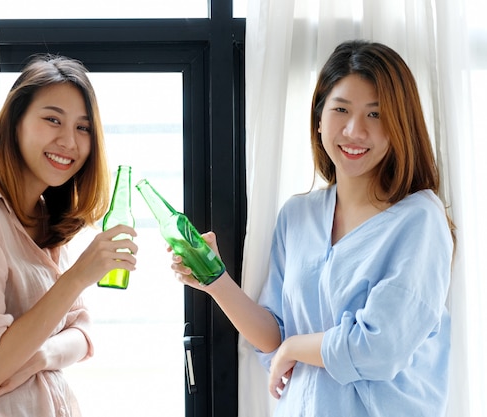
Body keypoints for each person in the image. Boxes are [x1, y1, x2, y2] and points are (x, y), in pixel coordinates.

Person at [172, 40, 454, 416]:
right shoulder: (298, 214)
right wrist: (215, 280)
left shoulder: (419, 219)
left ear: (400, 125)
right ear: (319, 118)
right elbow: (274, 336)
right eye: (341, 109)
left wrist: (294, 348)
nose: (354, 130)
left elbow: (379, 348)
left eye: (375, 114)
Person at [0, 55, 138, 417]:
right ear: (15, 121)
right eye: (52, 119)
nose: (68, 140)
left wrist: (36, 356)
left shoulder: (45, 217)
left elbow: (82, 334)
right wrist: (78, 277)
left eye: (83, 128)